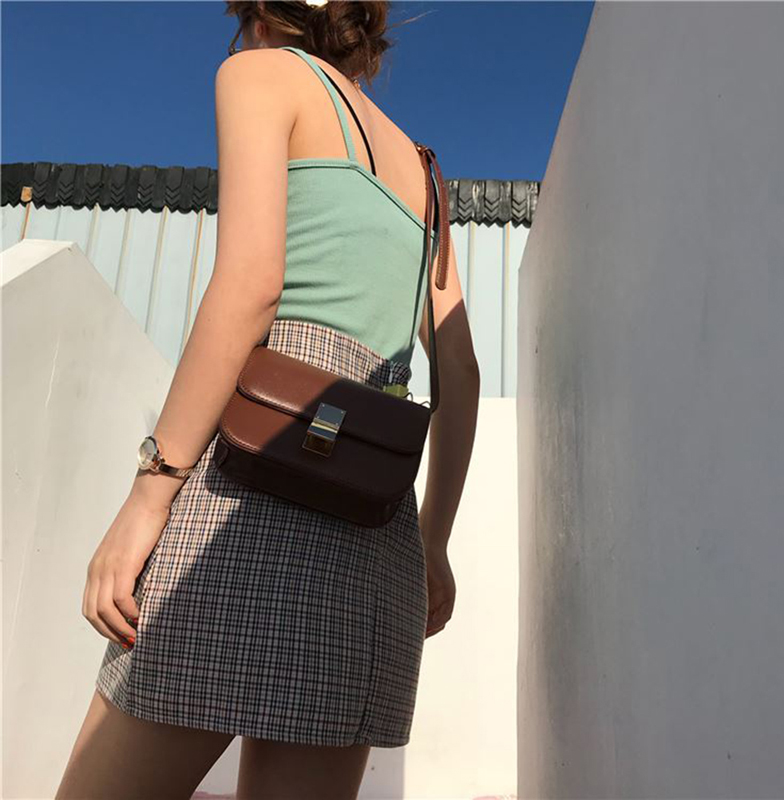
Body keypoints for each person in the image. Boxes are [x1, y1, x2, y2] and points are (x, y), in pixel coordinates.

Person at [55, 1, 480, 798]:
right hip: (378, 530)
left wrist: (150, 494)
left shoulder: (260, 75)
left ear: (262, 16)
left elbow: (251, 285)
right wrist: (433, 544)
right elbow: (459, 373)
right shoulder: (425, 173)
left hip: (255, 483)